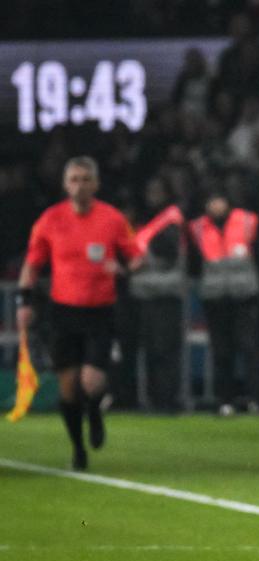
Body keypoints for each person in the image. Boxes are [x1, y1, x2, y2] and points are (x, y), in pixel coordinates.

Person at [16, 156, 141, 470]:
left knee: (92, 382)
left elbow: (137, 256)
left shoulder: (112, 219)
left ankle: (95, 410)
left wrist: (122, 268)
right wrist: (24, 302)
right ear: (65, 184)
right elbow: (32, 265)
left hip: (101, 311)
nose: (80, 186)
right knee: (69, 387)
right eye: (74, 179)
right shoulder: (50, 220)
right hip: (64, 312)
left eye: (86, 179)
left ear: (96, 184)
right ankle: (78, 448)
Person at [188, 192, 259, 415]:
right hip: (215, 298)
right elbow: (194, 262)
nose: (215, 206)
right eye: (211, 201)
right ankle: (225, 401)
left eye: (218, 200)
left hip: (245, 296)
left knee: (249, 348)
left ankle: (255, 399)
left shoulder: (247, 221)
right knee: (221, 351)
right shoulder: (198, 227)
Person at [131, 203, 186, 412]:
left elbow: (167, 256)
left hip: (165, 297)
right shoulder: (154, 228)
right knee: (153, 350)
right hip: (148, 296)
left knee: (164, 350)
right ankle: (156, 398)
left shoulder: (169, 227)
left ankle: (166, 399)